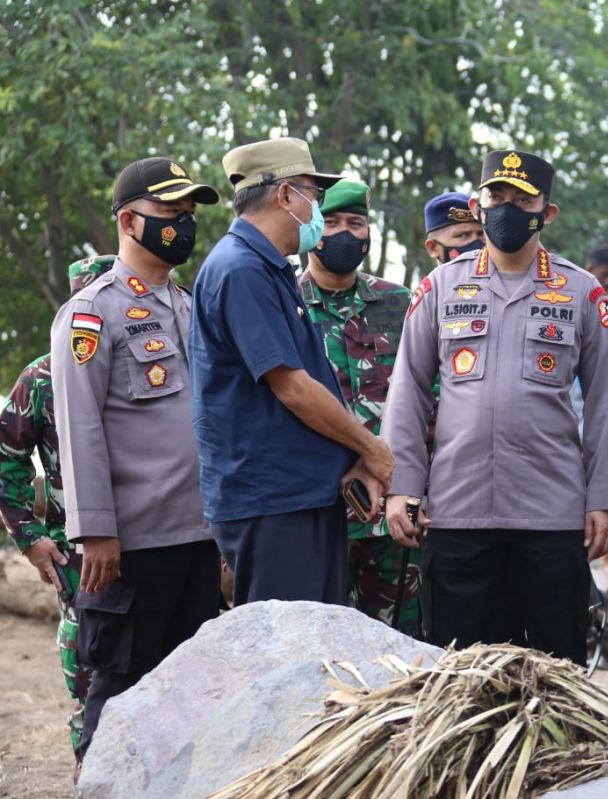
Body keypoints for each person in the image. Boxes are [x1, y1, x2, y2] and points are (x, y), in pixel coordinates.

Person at [382, 148, 608, 666]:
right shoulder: (439, 288)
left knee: (553, 667)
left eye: (523, 199)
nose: (507, 208)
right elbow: (406, 390)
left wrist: (605, 499)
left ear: (548, 211)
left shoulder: (582, 293)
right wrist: (402, 487)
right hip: (457, 512)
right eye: (497, 196)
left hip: (552, 514)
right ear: (478, 206)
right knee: (459, 670)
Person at [51, 157, 223, 759]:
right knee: (121, 693)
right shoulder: (93, 313)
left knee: (192, 697)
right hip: (129, 547)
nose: (184, 222)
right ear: (128, 220)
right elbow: (79, 424)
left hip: (197, 536)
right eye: (170, 212)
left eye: (189, 213)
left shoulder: (186, 304)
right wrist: (95, 530)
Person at [189, 137, 394, 606]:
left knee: (314, 655)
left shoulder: (268, 267)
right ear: (285, 195)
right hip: (273, 503)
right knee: (284, 660)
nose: (317, 210)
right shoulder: (240, 270)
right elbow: (294, 388)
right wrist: (371, 448)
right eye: (313, 195)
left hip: (297, 497)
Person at [0, 255, 112, 767]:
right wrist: (30, 535)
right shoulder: (42, 377)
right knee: (90, 682)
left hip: (160, 544)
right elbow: (6, 457)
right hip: (82, 560)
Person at [298, 178, 419, 635]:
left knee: (402, 642)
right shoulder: (287, 303)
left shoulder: (399, 303)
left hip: (395, 509)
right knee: (318, 639)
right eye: (330, 222)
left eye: (356, 223)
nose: (345, 234)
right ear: (309, 227)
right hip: (319, 510)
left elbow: (430, 397)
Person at [423, 191, 484, 265]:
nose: (477, 243)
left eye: (481, 234)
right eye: (463, 235)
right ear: (433, 248)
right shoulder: (432, 277)